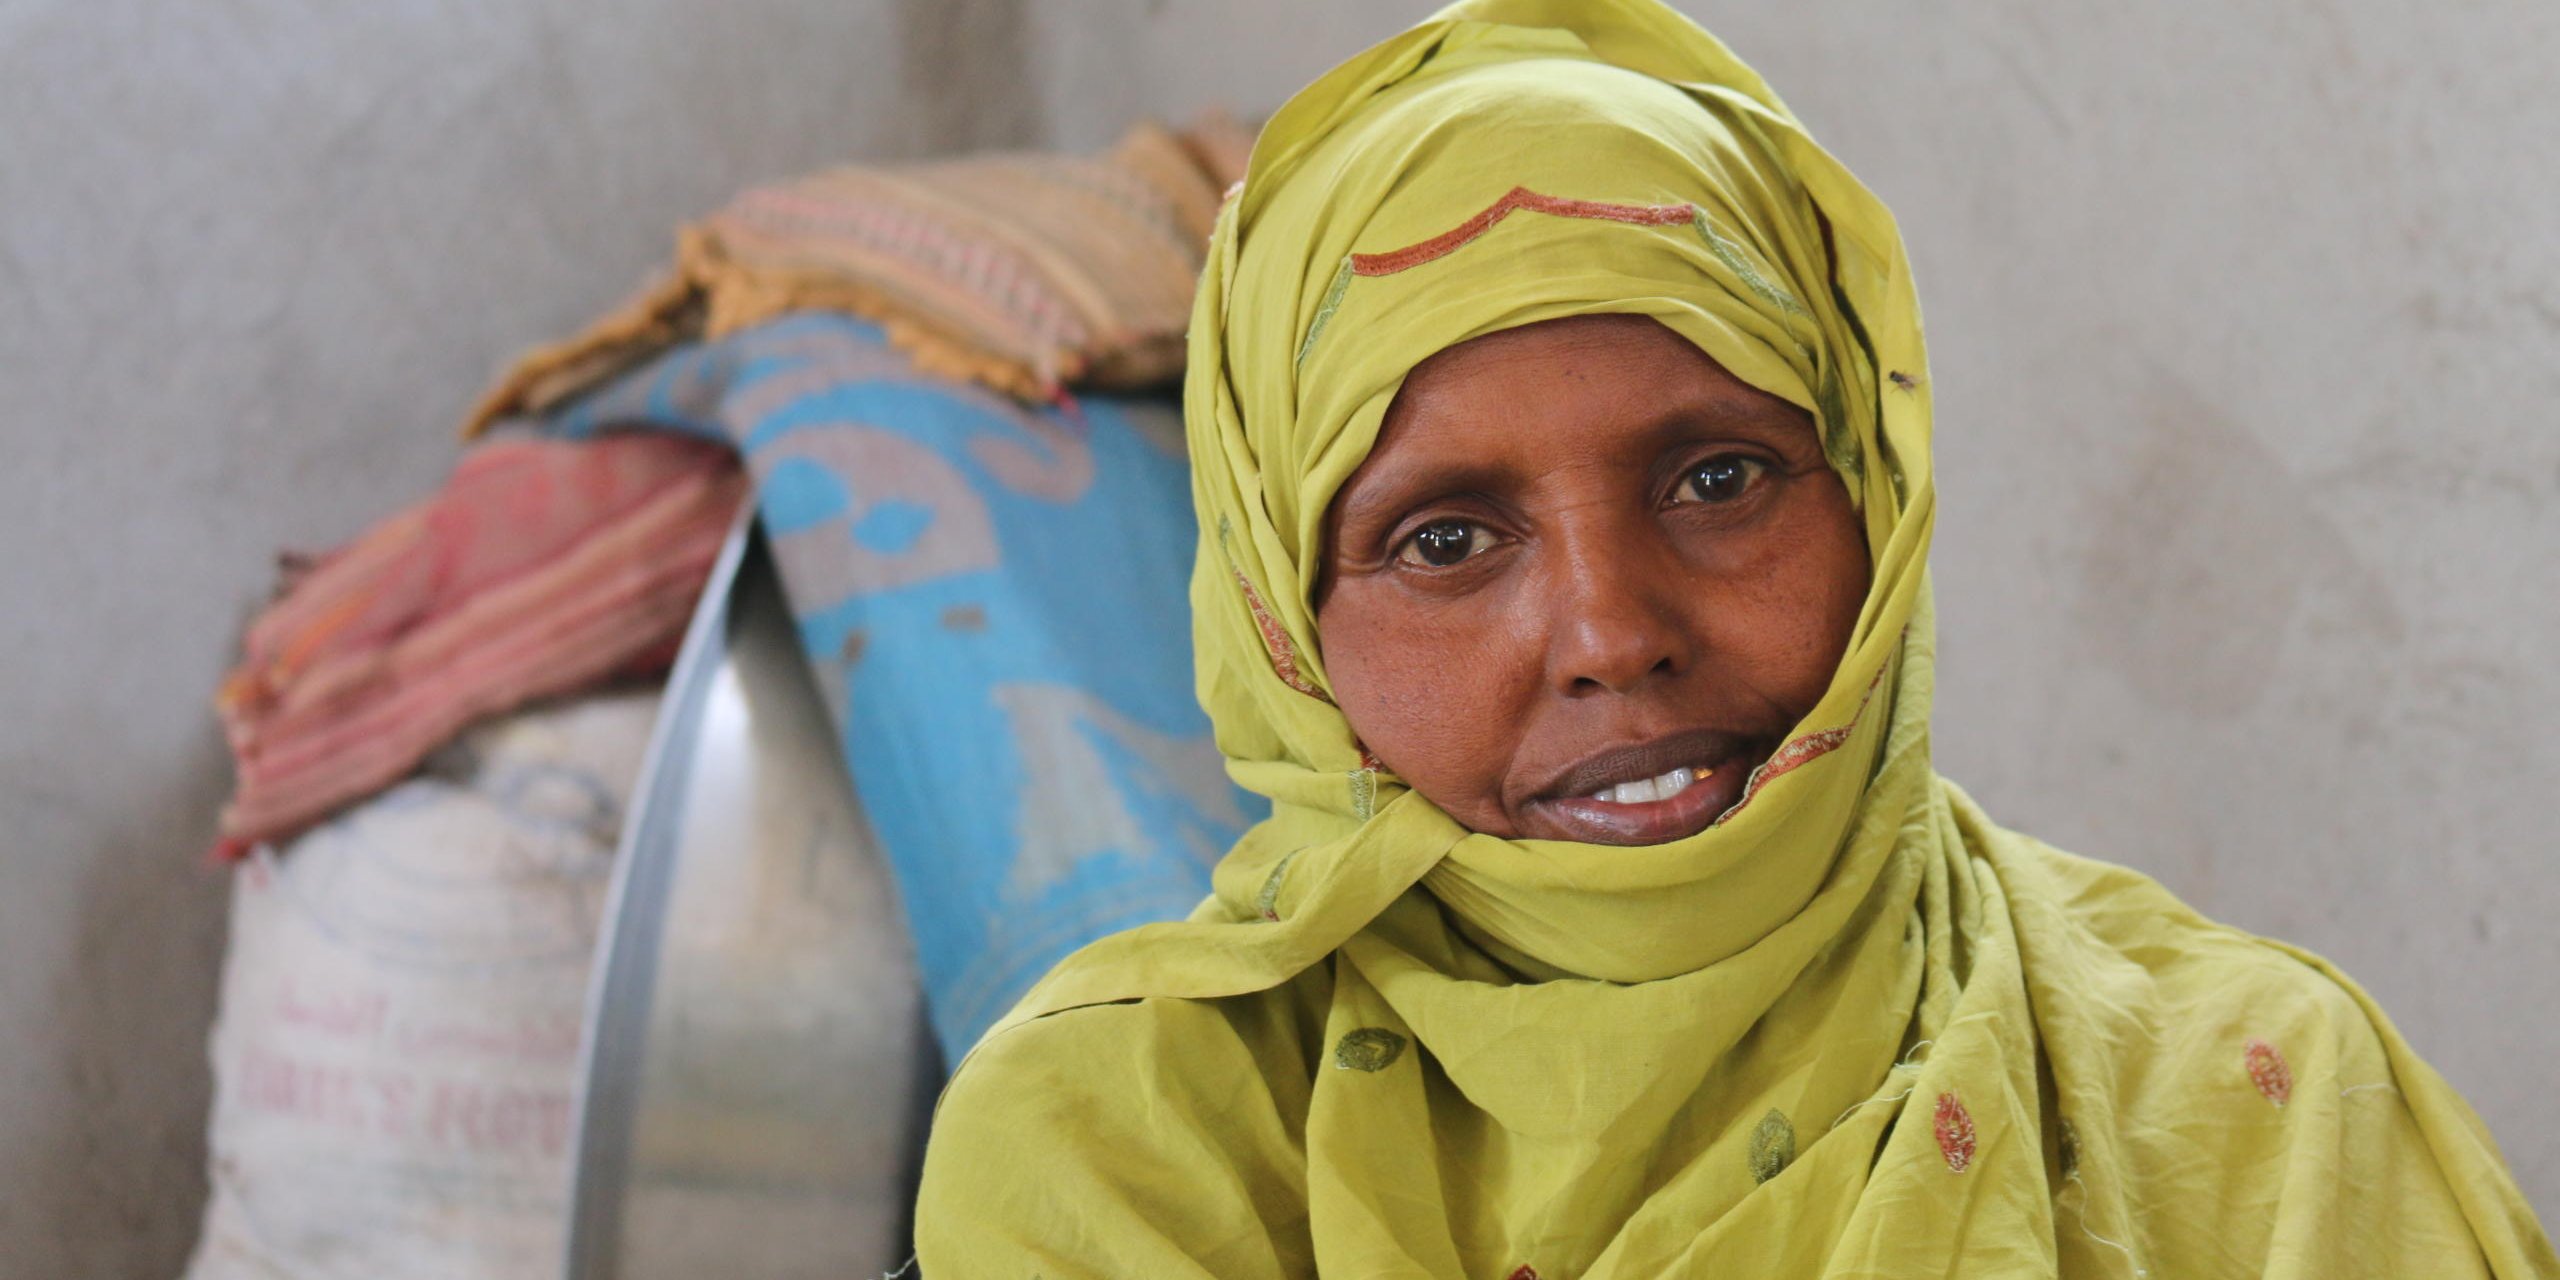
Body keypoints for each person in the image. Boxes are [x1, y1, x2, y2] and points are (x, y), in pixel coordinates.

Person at [913, 1, 2558, 1275]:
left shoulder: (2251, 1108)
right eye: (1445, 540)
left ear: (1874, 498)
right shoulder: (1125, 1148)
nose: (1613, 634)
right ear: (1283, 624)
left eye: (1716, 478)